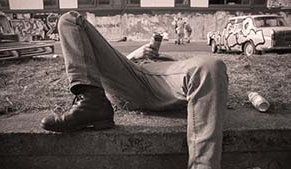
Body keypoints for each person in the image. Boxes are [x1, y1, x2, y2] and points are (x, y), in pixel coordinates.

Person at [41, 11, 228, 169]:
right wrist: (134, 55)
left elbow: (207, 75)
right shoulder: (133, 61)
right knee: (70, 19)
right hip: (129, 79)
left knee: (210, 65)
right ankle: (92, 101)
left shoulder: (180, 65)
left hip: (164, 82)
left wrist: (158, 58)